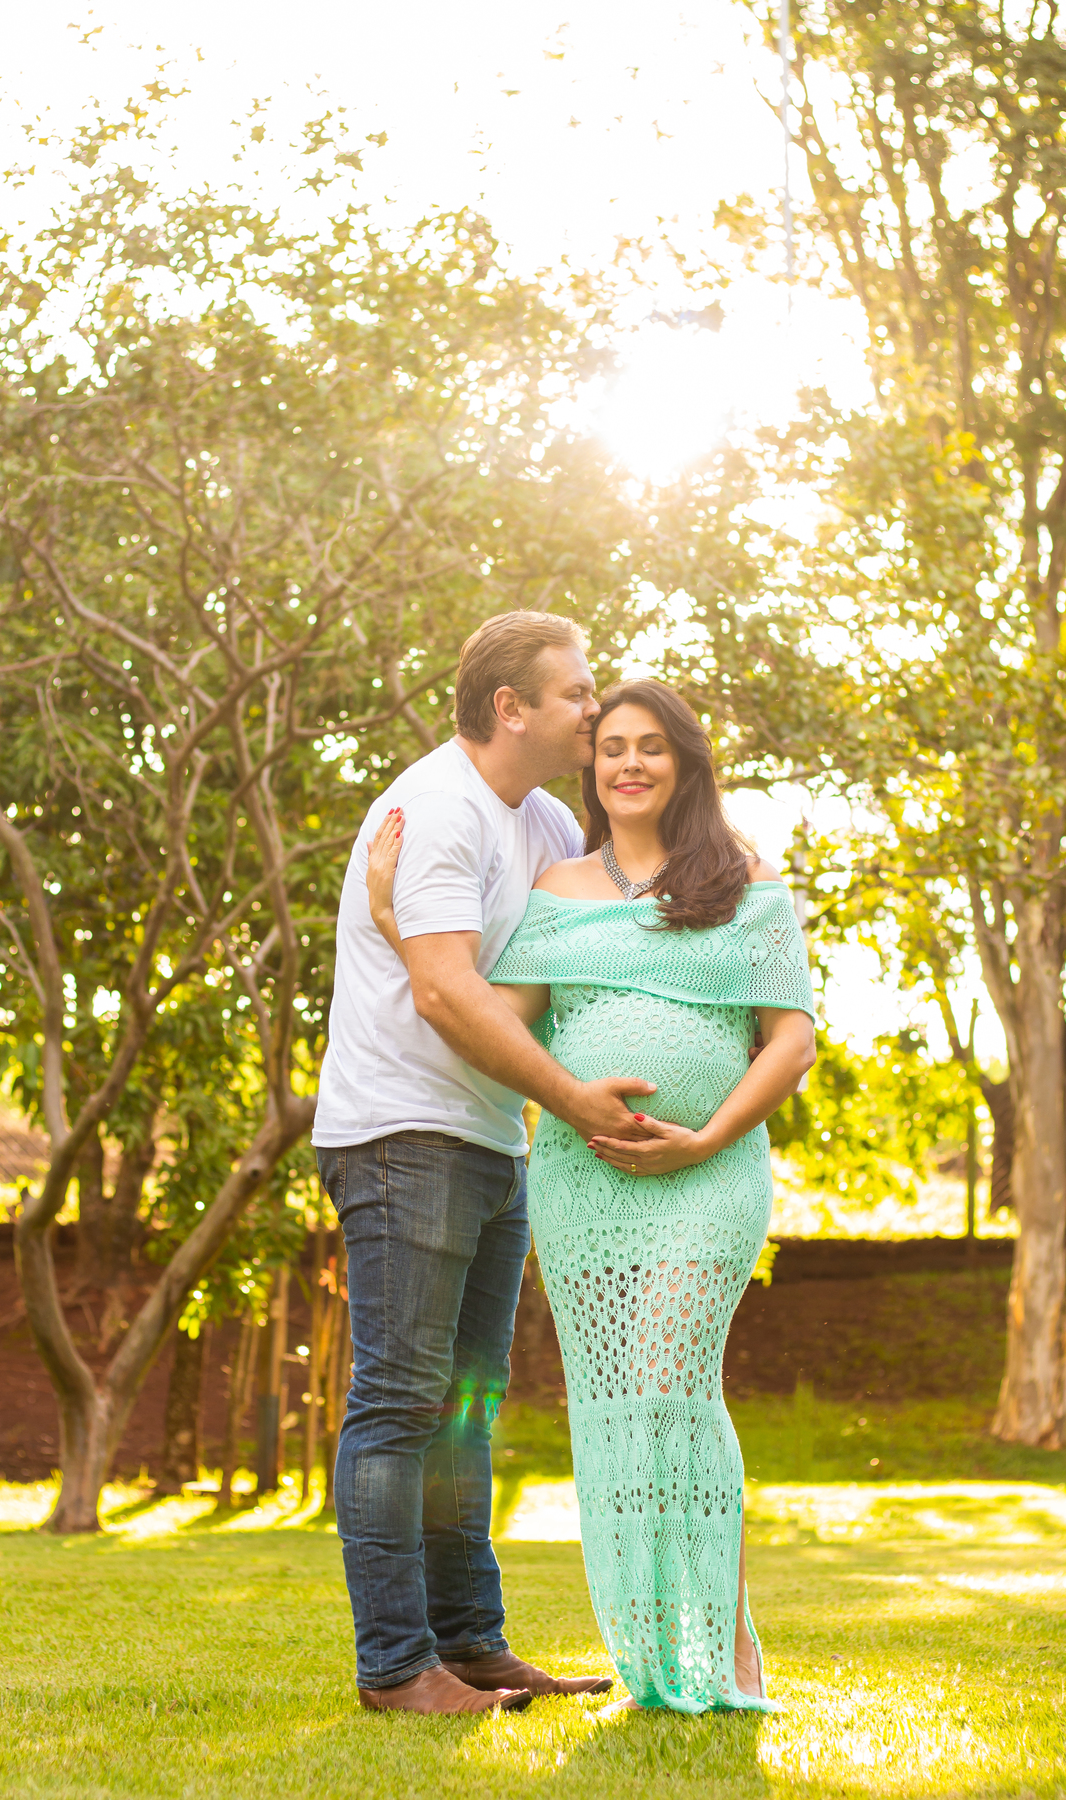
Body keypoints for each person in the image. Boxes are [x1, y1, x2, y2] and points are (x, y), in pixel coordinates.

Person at [367, 678, 816, 1714]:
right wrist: (401, 926)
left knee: (671, 1384)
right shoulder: (556, 889)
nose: (628, 764)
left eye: (651, 747)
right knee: (620, 1407)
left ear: (685, 763)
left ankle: (723, 1654)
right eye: (611, 745)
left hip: (711, 1175)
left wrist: (703, 1134)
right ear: (591, 764)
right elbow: (494, 1019)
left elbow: (788, 1038)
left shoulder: (745, 880)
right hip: (583, 1185)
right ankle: (664, 1660)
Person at [312, 611, 658, 1715]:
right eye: (576, 694)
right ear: (511, 709)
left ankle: (472, 1646)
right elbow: (445, 991)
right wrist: (572, 1103)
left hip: (488, 1136)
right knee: (402, 1401)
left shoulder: (544, 819)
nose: (595, 710)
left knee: (467, 1404)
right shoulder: (436, 809)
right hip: (403, 1131)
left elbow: (612, 924)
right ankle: (397, 1668)